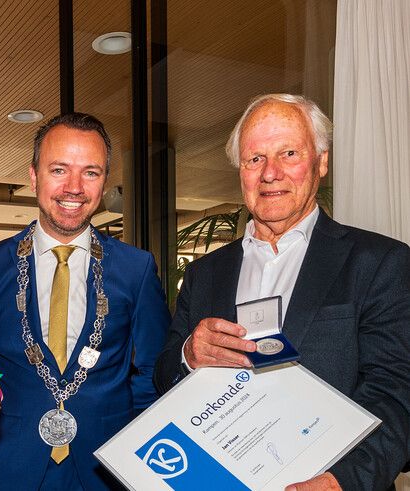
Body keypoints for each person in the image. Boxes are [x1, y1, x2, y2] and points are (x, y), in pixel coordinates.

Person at [154, 94, 410, 490]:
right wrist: (189, 354)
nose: (270, 173)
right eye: (254, 159)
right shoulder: (205, 273)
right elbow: (164, 373)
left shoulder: (379, 262)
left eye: (288, 153)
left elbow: (396, 393)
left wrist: (341, 481)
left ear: (321, 162)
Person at [0, 113, 170, 490]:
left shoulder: (136, 269)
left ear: (104, 181)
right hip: (10, 468)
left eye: (91, 172)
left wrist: (127, 441)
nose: (74, 187)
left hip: (107, 470)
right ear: (34, 176)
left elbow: (155, 372)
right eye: (59, 170)